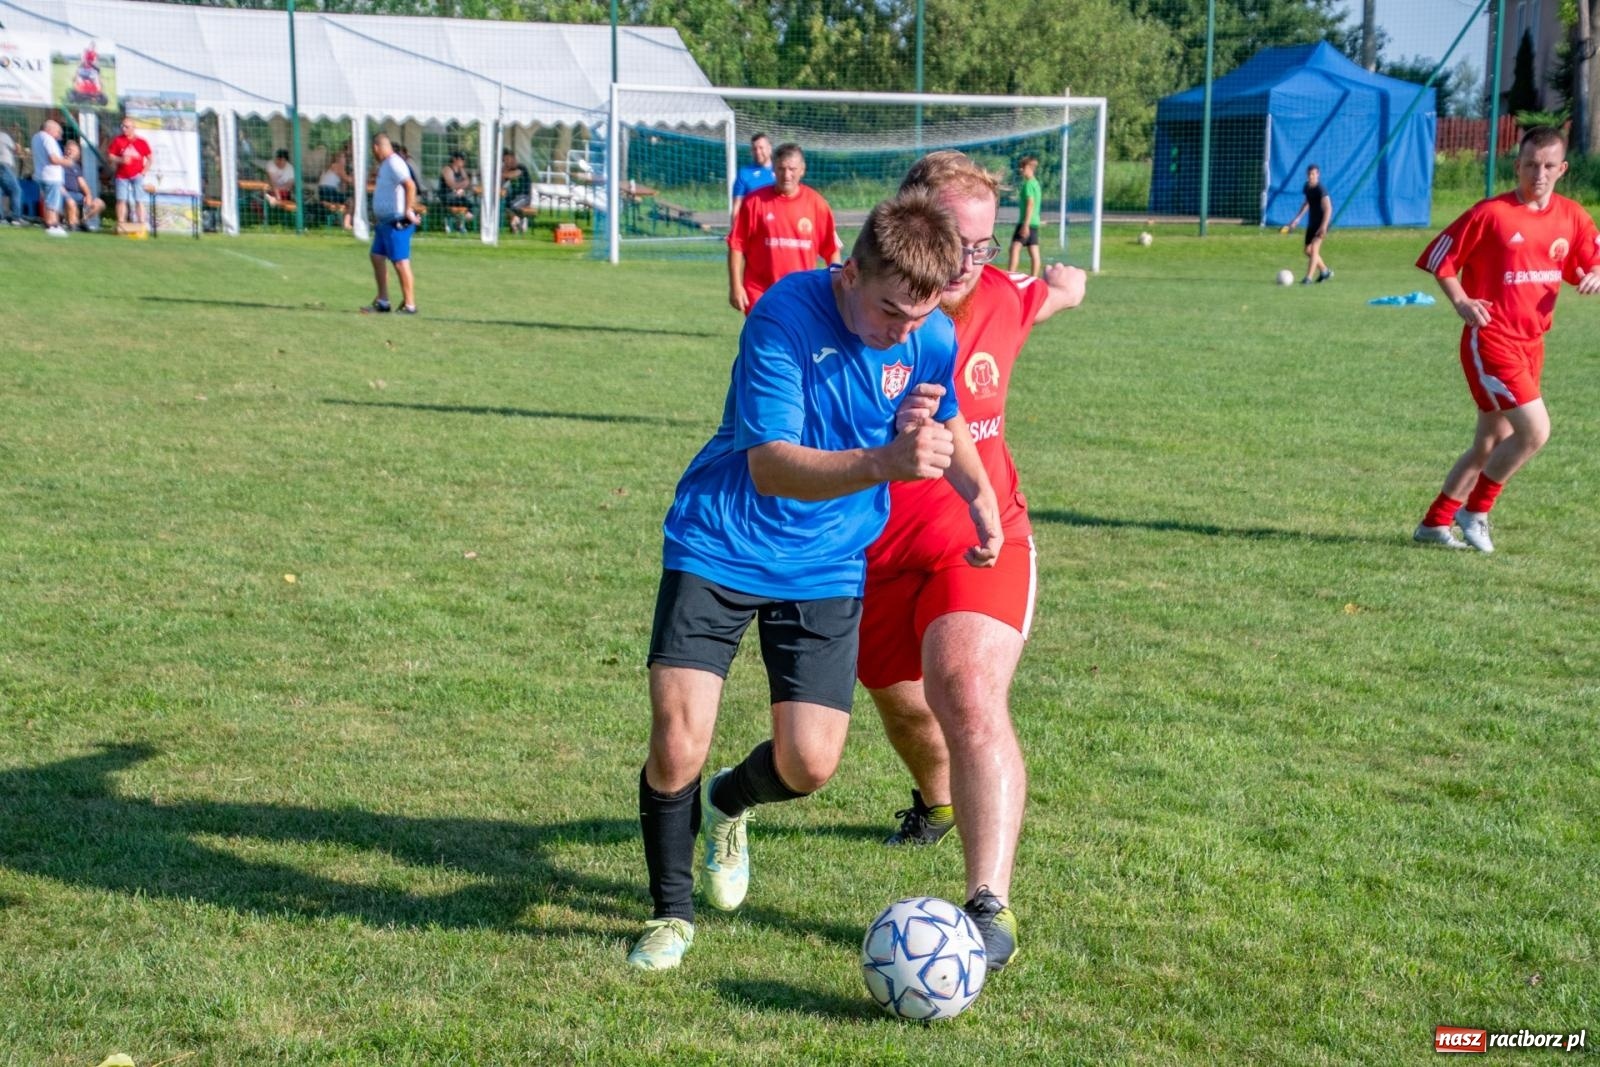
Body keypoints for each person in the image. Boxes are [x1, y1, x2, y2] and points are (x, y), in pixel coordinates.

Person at [627, 189, 1004, 972]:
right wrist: (884, 463)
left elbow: (947, 418)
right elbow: (769, 467)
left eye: (918, 316)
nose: (903, 332)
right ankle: (671, 912)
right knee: (676, 739)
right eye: (891, 311)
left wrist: (980, 501)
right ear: (850, 271)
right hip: (720, 541)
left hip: (827, 561)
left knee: (810, 764)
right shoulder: (782, 319)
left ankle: (729, 801)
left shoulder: (928, 332)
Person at [858, 151, 1086, 971]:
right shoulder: (857, 306)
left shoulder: (998, 295)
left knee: (965, 687)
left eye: (988, 244)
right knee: (904, 705)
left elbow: (1045, 295)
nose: (971, 262)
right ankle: (936, 798)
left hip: (981, 538)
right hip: (872, 552)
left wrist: (1067, 283)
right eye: (960, 241)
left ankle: (988, 906)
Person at [1412, 126, 1600, 554]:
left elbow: (1587, 262)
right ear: (1517, 165)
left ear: (1562, 169)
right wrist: (1461, 301)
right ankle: (1474, 513)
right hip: (1492, 339)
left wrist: (1594, 274)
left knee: (1490, 442)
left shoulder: (1572, 216)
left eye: (1549, 166)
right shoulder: (1491, 213)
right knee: (1536, 431)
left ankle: (1434, 524)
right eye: (1531, 164)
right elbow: (1441, 258)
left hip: (1533, 343)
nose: (1539, 174)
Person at [726, 142, 841, 314]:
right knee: (766, 339)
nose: (787, 175)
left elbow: (831, 250)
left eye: (792, 169)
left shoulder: (817, 204)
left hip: (802, 294)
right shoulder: (754, 202)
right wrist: (736, 286)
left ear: (802, 170)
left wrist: (837, 288)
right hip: (760, 292)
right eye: (781, 169)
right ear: (773, 169)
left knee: (797, 340)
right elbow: (736, 245)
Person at [360, 133, 419, 316]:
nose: (373, 154)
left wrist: (408, 210)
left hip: (396, 222)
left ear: (377, 147)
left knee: (400, 262)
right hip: (384, 222)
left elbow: (410, 185)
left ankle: (410, 305)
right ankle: (383, 301)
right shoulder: (386, 165)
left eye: (373, 150)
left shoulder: (394, 163)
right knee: (377, 256)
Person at [1282, 163, 1333, 284]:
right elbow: (1307, 203)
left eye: (1313, 174)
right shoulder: (1307, 187)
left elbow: (1328, 208)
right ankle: (1325, 271)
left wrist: (1324, 226)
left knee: (1314, 249)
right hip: (1312, 223)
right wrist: (1297, 219)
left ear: (1318, 175)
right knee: (1307, 250)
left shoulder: (1321, 189)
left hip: (1322, 223)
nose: (1311, 176)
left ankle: (1308, 278)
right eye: (1309, 174)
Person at [106, 117, 151, 226]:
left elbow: (150, 158)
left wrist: (144, 172)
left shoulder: (141, 142)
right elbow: (110, 156)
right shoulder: (118, 140)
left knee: (139, 200)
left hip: (137, 175)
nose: (124, 129)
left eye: (127, 127)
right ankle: (121, 223)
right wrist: (120, 159)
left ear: (133, 128)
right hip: (122, 175)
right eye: (122, 126)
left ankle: (141, 224)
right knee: (121, 199)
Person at [1005, 156, 1042, 278]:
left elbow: (1030, 204)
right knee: (1034, 251)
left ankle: (1010, 276)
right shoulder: (1036, 184)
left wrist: (1025, 225)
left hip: (1026, 222)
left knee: (1014, 248)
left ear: (1030, 168)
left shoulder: (1028, 185)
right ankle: (1035, 278)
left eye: (1023, 167)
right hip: (1035, 222)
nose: (1020, 170)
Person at [31, 119, 68, 237]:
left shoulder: (36, 137)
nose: (59, 136)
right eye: (58, 132)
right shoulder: (48, 139)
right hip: (51, 175)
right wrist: (68, 162)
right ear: (50, 129)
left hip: (40, 174)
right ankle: (52, 225)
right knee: (53, 202)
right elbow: (53, 159)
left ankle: (51, 224)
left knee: (47, 201)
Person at [61, 141, 105, 232]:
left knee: (99, 203)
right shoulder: (59, 163)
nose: (70, 152)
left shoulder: (76, 166)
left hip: (77, 194)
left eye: (73, 151)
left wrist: (88, 195)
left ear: (77, 154)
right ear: (65, 150)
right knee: (70, 202)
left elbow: (82, 183)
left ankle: (82, 222)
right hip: (64, 193)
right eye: (69, 149)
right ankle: (73, 225)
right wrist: (66, 195)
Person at [730, 132, 774, 218]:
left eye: (761, 148)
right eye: (754, 149)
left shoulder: (781, 171)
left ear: (769, 149)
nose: (758, 152)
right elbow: (737, 206)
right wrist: (735, 229)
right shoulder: (744, 173)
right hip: (752, 224)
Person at [501, 148, 531, 234]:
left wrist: (502, 173)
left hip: (524, 197)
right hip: (513, 197)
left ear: (513, 158)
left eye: (507, 159)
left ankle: (518, 220)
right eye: (504, 160)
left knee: (511, 206)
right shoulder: (507, 170)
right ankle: (516, 220)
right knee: (503, 204)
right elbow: (501, 182)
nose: (506, 162)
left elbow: (513, 175)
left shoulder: (521, 167)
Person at [0, 126, 24, 225]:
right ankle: (16, 217)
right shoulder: (4, 136)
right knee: (16, 190)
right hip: (4, 165)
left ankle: (1, 218)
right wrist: (18, 146)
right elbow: (17, 150)